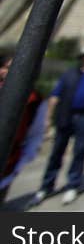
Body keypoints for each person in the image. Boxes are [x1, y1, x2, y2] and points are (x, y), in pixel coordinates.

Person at [29, 44, 84, 207]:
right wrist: (47, 119)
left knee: (80, 151)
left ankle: (73, 184)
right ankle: (46, 186)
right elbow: (55, 96)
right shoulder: (70, 74)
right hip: (65, 116)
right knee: (57, 152)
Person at [0, 50, 48, 205]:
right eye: (8, 68)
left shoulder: (35, 100)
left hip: (6, 168)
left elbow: (35, 134)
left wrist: (20, 164)